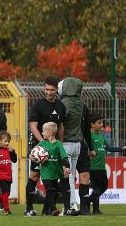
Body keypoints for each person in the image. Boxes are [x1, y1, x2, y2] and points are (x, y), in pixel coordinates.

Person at [24, 77, 66, 216]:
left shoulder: (60, 106)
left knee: (54, 177)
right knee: (35, 176)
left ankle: (47, 209)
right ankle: (28, 209)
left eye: (51, 90)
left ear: (56, 90)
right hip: (39, 146)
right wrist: (44, 143)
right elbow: (33, 126)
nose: (48, 92)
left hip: (54, 147)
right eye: (46, 89)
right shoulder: (38, 106)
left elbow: (60, 127)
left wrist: (59, 145)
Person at [58, 77, 94, 215]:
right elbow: (85, 128)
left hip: (66, 143)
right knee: (71, 174)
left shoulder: (63, 104)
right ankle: (74, 206)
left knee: (68, 176)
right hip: (78, 144)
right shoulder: (81, 103)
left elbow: (60, 124)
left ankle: (71, 205)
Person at [85, 114, 126, 215]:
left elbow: (108, 148)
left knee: (103, 187)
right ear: (92, 124)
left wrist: (122, 148)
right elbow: (85, 149)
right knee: (97, 188)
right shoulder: (89, 136)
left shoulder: (101, 136)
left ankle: (92, 206)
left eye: (102, 123)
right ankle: (92, 206)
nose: (101, 125)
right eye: (99, 123)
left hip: (101, 167)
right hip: (93, 167)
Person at [34, 122, 68, 216]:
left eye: (43, 131)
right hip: (45, 172)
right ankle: (53, 209)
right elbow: (32, 153)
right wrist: (32, 157)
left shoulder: (58, 144)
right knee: (49, 189)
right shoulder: (42, 143)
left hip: (56, 172)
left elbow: (64, 158)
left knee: (55, 192)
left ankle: (45, 210)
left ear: (50, 133)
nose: (42, 133)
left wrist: (67, 167)